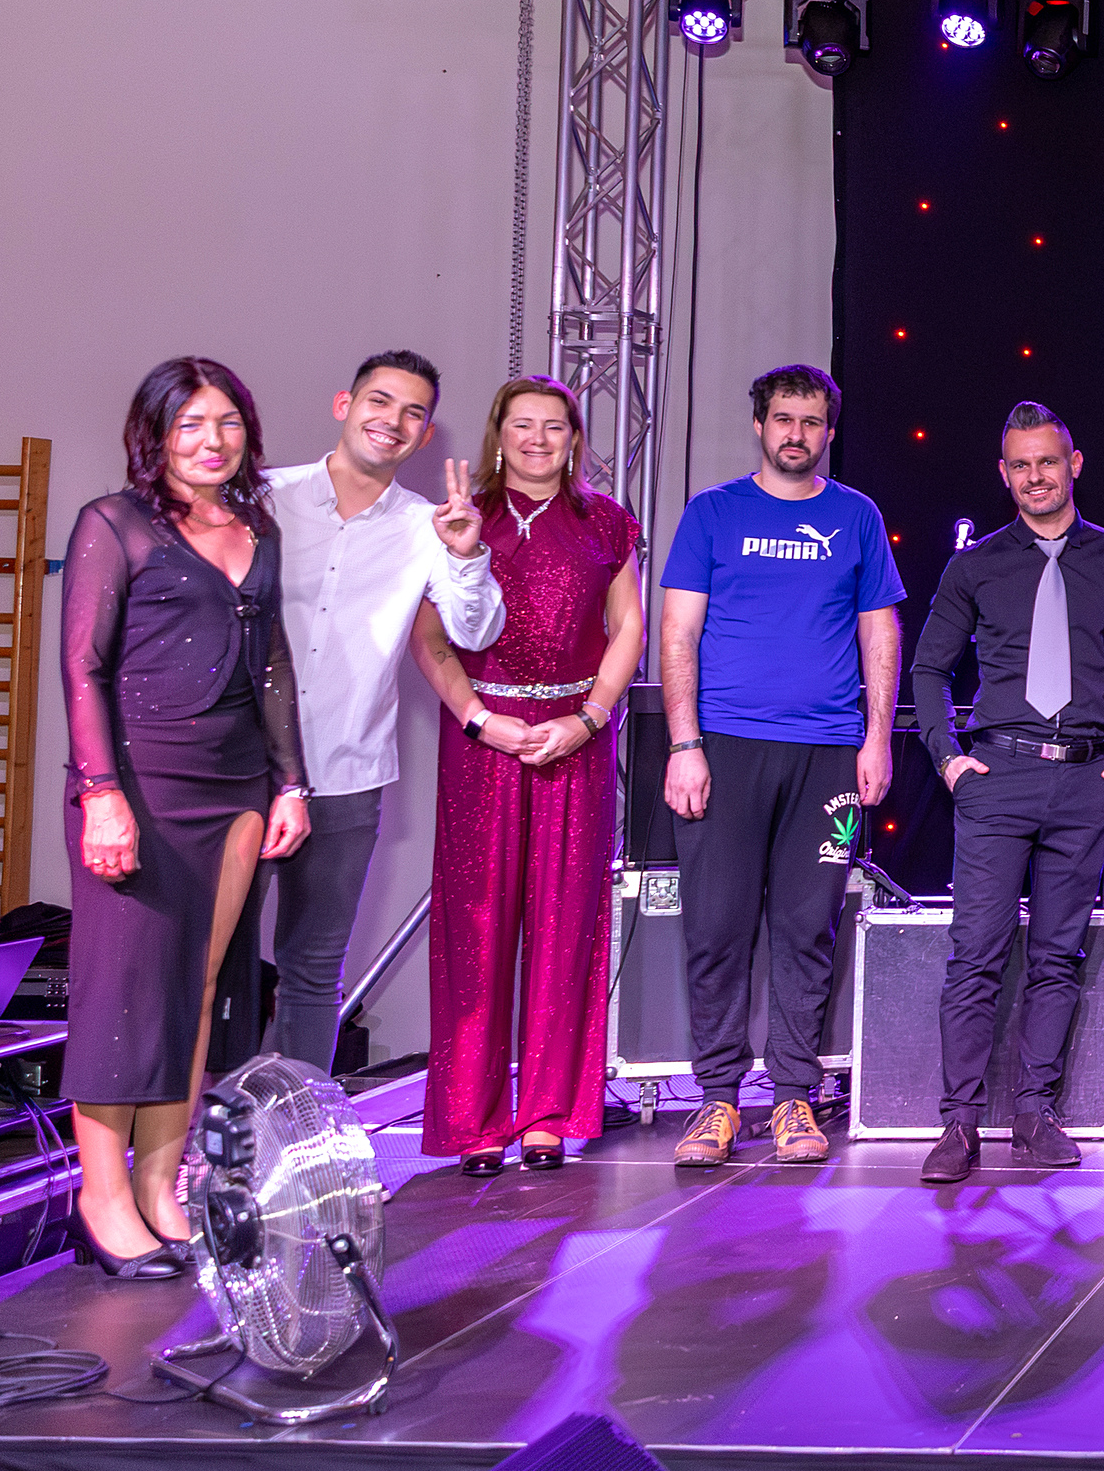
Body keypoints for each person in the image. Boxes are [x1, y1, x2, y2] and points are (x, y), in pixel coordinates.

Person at [60, 359, 313, 1277]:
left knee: (196, 991)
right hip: (140, 784)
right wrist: (100, 793)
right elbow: (83, 666)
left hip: (237, 786)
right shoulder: (114, 523)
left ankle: (160, 1188)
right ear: (156, 434)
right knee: (124, 993)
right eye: (192, 424)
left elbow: (273, 662)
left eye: (229, 422)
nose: (213, 441)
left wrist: (290, 783)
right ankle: (101, 1201)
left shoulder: (257, 529)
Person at [910, 401, 1104, 1184]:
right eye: (1020, 465)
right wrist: (949, 759)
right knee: (975, 955)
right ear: (1004, 473)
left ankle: (1034, 1113)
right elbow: (929, 668)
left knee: (1058, 955)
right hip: (998, 776)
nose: (1035, 477)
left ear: (1073, 464)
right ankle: (958, 1123)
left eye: (1047, 462)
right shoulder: (976, 565)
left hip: (1086, 780)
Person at [659, 365, 903, 1171]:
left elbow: (879, 633)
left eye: (812, 421)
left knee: (808, 927)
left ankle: (795, 1094)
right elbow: (677, 634)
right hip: (723, 747)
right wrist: (684, 745)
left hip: (828, 753)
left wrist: (876, 739)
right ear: (760, 426)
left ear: (829, 431)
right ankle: (718, 1100)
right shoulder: (713, 513)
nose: (797, 433)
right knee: (716, 928)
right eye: (784, 419)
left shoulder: (856, 516)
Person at [409, 377, 644, 1175]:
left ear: (574, 438)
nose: (538, 439)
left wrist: (590, 718)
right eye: (523, 425)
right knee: (474, 928)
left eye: (554, 426)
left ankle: (547, 1114)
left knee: (566, 925)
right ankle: (473, 1120)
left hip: (575, 740)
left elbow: (628, 627)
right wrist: (481, 719)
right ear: (498, 433)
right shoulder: (461, 517)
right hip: (483, 740)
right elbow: (429, 640)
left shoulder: (607, 521)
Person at [263, 350, 503, 1073]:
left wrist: (466, 555)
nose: (392, 421)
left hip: (348, 771)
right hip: (244, 768)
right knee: (218, 966)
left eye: (413, 413)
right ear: (345, 405)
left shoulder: (429, 526)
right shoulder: (266, 497)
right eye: (380, 401)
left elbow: (475, 632)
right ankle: (201, 1126)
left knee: (312, 970)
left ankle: (295, 1125)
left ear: (425, 436)